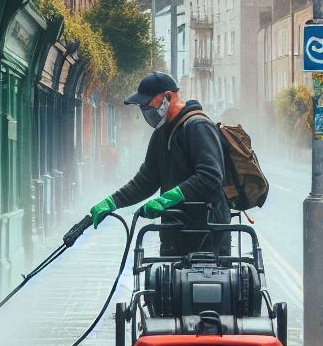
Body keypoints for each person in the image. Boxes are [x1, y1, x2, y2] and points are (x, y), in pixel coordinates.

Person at [89, 72, 229, 257]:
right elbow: (147, 180)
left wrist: (166, 200)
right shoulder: (162, 134)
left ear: (168, 96)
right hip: (174, 233)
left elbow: (210, 176)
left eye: (148, 104)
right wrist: (112, 202)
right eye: (142, 106)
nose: (144, 109)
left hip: (206, 236)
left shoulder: (197, 126)